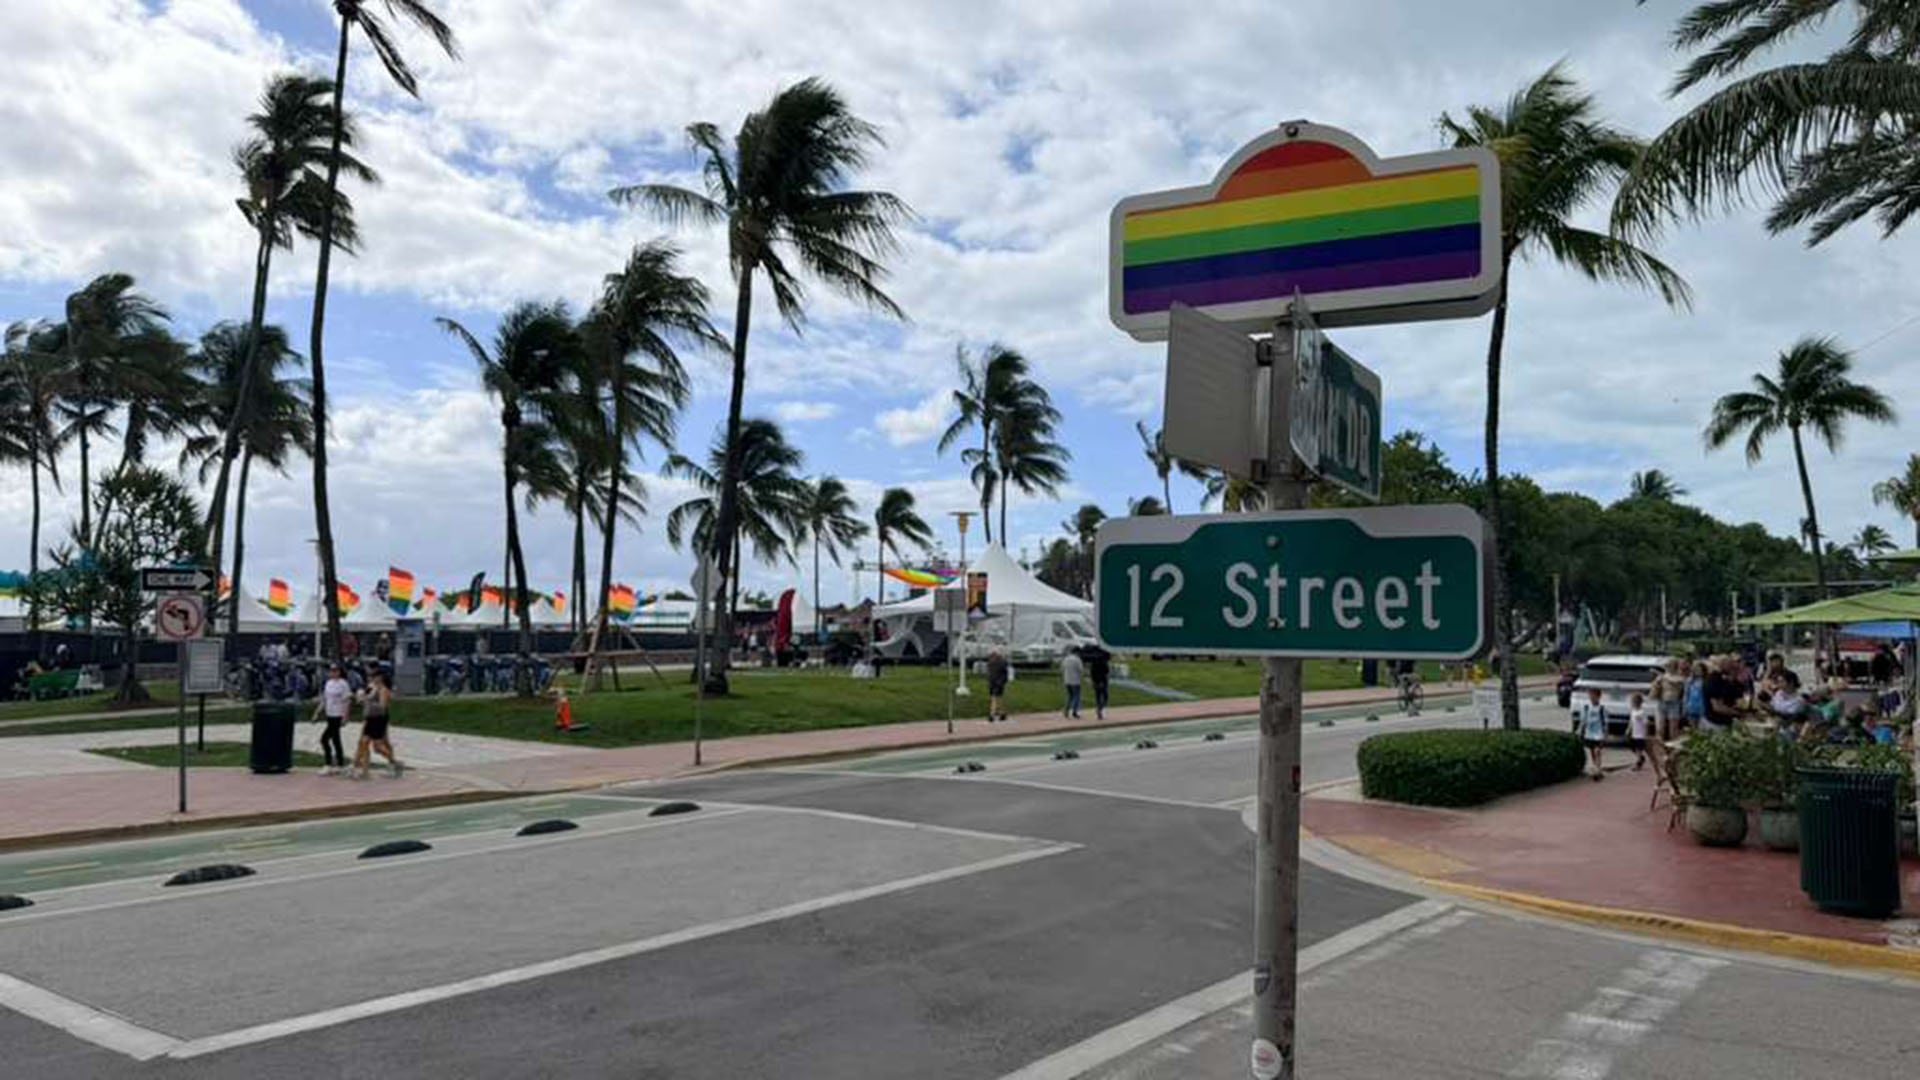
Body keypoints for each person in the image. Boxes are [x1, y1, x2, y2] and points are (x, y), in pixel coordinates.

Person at [351, 670, 404, 778]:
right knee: (364, 742)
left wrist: (366, 700)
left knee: (377, 747)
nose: (371, 679)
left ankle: (394, 762)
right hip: (370, 718)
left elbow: (382, 707)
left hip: (378, 719)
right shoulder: (372, 688)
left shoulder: (383, 690)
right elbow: (365, 698)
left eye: (374, 677)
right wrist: (360, 698)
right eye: (371, 676)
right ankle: (365, 771)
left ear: (380, 678)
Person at [312, 663, 352, 775]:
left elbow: (347, 701)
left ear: (339, 672)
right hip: (329, 714)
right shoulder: (328, 684)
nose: (333, 673)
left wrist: (345, 716)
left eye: (336, 671)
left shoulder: (343, 684)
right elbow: (324, 700)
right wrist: (317, 713)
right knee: (335, 739)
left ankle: (329, 763)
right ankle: (339, 763)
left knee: (325, 739)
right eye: (332, 671)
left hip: (338, 714)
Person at [1703, 655, 1745, 731]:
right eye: (1730, 664)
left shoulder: (1722, 679)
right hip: (1715, 723)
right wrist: (1739, 714)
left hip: (1725, 722)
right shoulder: (1713, 681)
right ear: (1723, 664)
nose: (1731, 667)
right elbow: (1718, 707)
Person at [1578, 686, 1608, 780]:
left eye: (1594, 695)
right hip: (1589, 733)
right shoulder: (1586, 708)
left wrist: (1605, 733)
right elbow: (1583, 721)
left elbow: (1605, 722)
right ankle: (1596, 767)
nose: (1592, 697)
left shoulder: (1602, 709)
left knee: (1597, 751)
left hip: (1599, 733)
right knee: (1592, 752)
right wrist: (1580, 731)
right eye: (1590, 695)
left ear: (1598, 696)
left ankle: (1598, 769)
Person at [1083, 644, 1112, 720]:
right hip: (1103, 680)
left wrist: (1093, 680)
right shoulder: (1103, 663)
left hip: (1096, 680)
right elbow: (1107, 671)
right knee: (1105, 696)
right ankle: (1100, 708)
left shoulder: (1094, 664)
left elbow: (1092, 673)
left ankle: (1099, 707)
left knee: (1098, 695)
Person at [1627, 691, 1654, 772]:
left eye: (1633, 702)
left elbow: (1646, 723)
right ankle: (1641, 758)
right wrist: (1628, 729)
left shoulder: (1642, 712)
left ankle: (1638, 763)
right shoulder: (1633, 711)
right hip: (1634, 733)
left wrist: (1646, 733)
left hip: (1641, 734)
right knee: (1633, 747)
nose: (1632, 703)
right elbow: (1631, 721)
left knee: (1640, 748)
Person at [985, 649, 1010, 723]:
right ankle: (996, 714)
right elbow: (1005, 673)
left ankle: (996, 714)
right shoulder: (1002, 662)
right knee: (998, 698)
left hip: (992, 682)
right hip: (998, 682)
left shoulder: (990, 663)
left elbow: (989, 674)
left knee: (995, 698)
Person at [1060, 647, 1084, 720]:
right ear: (1077, 652)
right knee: (1077, 696)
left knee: (1070, 696)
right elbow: (1081, 670)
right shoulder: (1077, 660)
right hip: (1075, 681)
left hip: (1067, 680)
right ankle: (1075, 711)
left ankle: (1066, 711)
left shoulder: (1066, 659)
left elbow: (1062, 668)